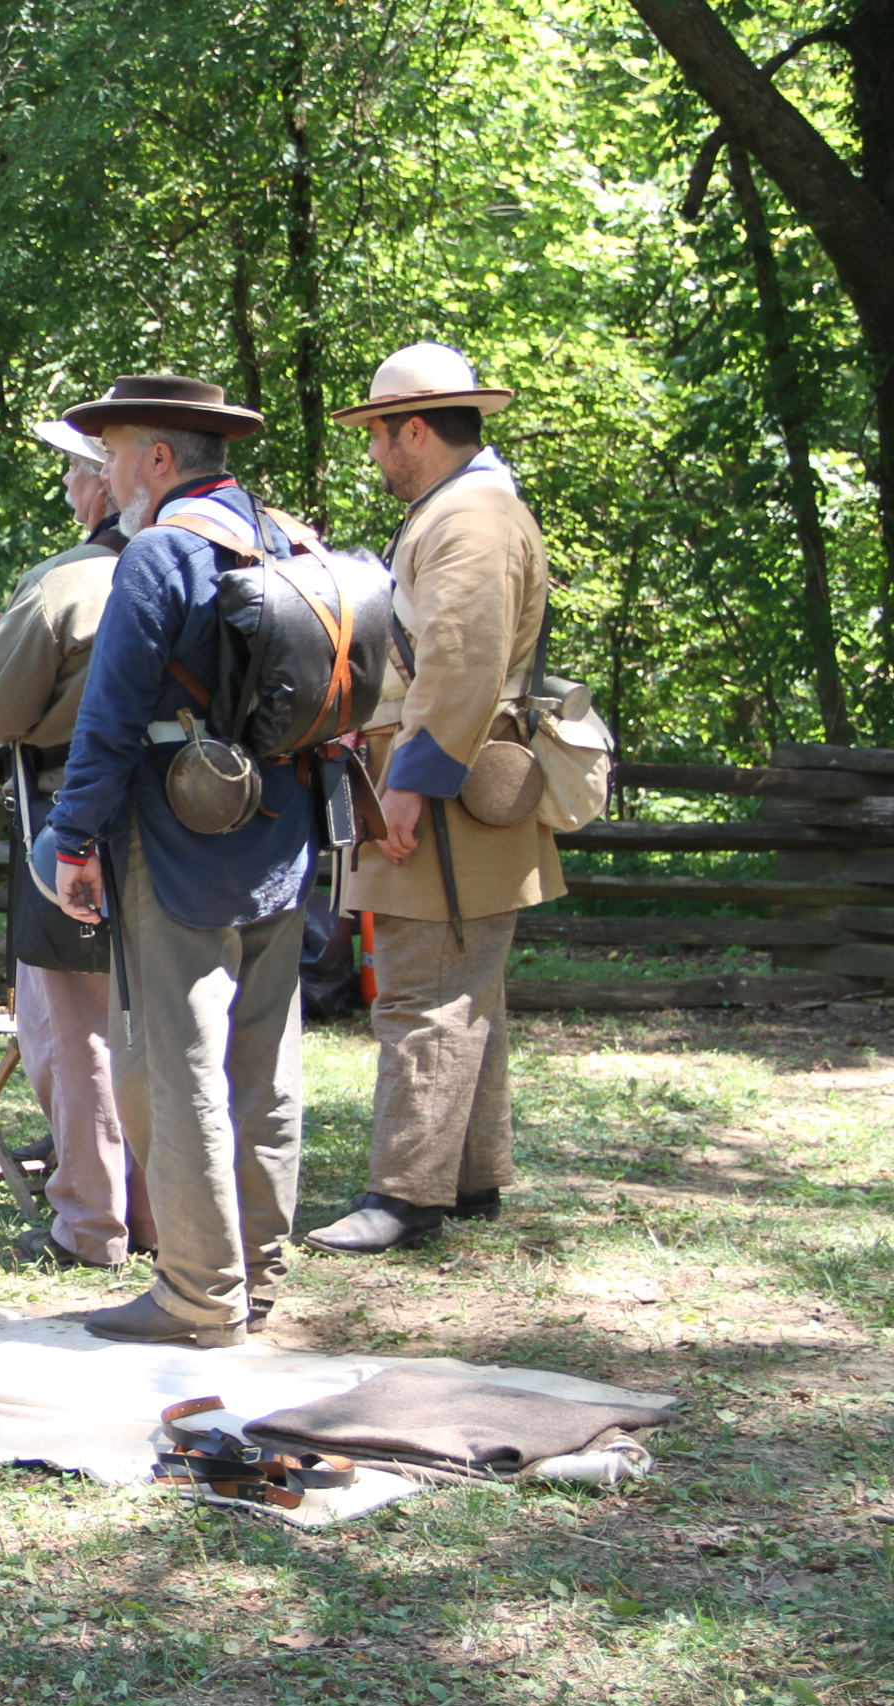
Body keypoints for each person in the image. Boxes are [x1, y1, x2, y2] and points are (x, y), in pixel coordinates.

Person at [45, 375, 311, 1349]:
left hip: (176, 840)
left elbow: (110, 718)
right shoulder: (285, 538)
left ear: (158, 459)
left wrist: (74, 840)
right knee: (265, 1068)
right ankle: (260, 1280)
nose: (105, 475)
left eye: (113, 454)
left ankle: (201, 1295)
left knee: (174, 1070)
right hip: (283, 834)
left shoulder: (159, 552)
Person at [306, 344, 559, 1255]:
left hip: (439, 792)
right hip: (447, 781)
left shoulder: (469, 519)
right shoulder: (463, 511)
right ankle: (468, 1178)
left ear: (415, 429)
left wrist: (406, 790)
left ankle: (406, 1196)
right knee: (467, 988)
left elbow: (459, 661)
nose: (374, 453)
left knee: (422, 991)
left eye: (379, 434)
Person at [0, 423, 152, 1270]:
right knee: (171, 1026)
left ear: (104, 483)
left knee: (72, 1026)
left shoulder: (70, 581)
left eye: (78, 475)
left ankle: (92, 1223)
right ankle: (166, 1219)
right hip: (199, 826)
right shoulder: (228, 560)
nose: (72, 491)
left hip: (79, 820)